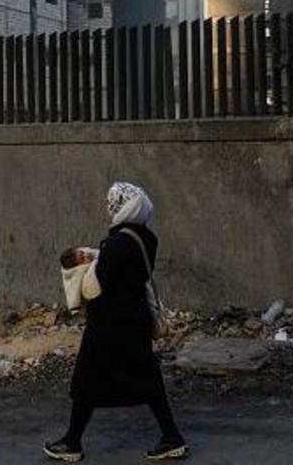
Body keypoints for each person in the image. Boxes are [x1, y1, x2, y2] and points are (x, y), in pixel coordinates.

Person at [44, 182, 187, 462]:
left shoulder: (119, 242)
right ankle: (171, 436)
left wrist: (85, 268)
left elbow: (94, 287)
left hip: (110, 326)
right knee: (147, 379)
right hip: (134, 321)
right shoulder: (146, 238)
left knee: (86, 382)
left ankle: (72, 442)